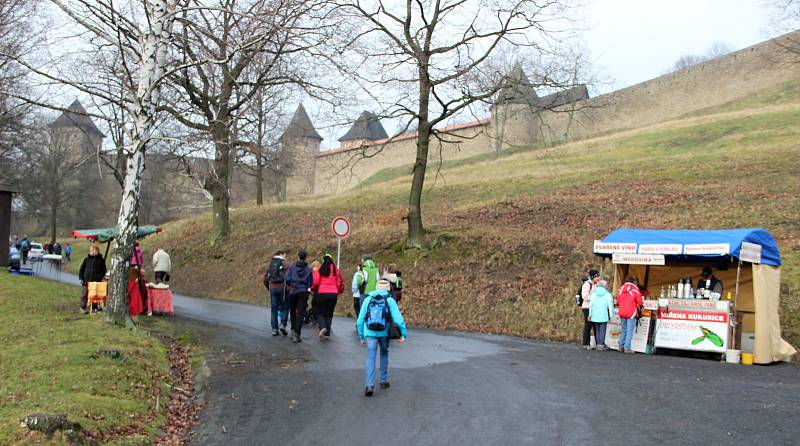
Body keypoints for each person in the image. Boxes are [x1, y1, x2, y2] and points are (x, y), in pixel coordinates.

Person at [357, 279, 407, 397]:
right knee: (384, 353)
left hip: (369, 332)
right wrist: (403, 333)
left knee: (371, 357)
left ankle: (369, 385)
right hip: (384, 332)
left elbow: (360, 320)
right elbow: (398, 319)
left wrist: (361, 335)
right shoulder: (389, 300)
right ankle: (383, 381)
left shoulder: (368, 299)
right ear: (388, 289)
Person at [311, 253, 343, 340]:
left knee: (320, 312)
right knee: (329, 313)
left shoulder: (320, 270)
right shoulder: (336, 271)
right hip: (333, 294)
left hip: (322, 293)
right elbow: (340, 283)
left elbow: (316, 282)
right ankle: (327, 333)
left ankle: (322, 327)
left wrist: (312, 288)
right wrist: (338, 291)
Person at [285, 250, 313, 343]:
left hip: (293, 290)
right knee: (300, 313)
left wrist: (292, 283)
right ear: (305, 257)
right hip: (304, 291)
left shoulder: (292, 267)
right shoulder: (308, 269)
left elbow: (288, 278)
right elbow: (310, 282)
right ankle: (297, 333)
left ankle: (292, 330)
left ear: (298, 256)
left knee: (292, 311)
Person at [616, 276, 643, 354]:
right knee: (629, 330)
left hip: (622, 311)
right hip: (631, 312)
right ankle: (627, 347)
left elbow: (617, 301)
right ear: (633, 281)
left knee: (624, 329)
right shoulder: (635, 289)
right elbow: (640, 302)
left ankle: (620, 346)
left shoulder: (621, 289)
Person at [265, 250, 289, 336]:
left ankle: (274, 329)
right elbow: (289, 277)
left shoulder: (270, 264)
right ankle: (283, 324)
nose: (285, 256)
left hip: (272, 288)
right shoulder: (285, 264)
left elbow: (265, 278)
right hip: (283, 288)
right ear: (281, 254)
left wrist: (269, 287)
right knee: (285, 307)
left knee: (274, 309)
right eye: (284, 255)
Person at [78, 245, 106, 313]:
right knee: (84, 294)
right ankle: (82, 307)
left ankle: (94, 308)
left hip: (95, 281)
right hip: (86, 280)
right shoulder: (86, 259)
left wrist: (99, 277)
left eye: (94, 250)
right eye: (91, 250)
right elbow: (82, 269)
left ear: (97, 251)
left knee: (94, 294)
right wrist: (81, 277)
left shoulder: (101, 260)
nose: (93, 252)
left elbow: (103, 270)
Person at [587, 280, 614, 351]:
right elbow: (610, 306)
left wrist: (590, 315)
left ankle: (598, 344)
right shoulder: (607, 294)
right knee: (602, 330)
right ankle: (600, 344)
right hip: (603, 315)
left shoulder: (594, 294)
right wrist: (611, 316)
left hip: (595, 315)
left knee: (597, 330)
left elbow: (591, 305)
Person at [580, 269, 600, 350]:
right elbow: (584, 296)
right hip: (587, 307)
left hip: (594, 307)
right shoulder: (587, 284)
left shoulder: (596, 285)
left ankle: (598, 343)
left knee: (595, 325)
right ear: (593, 277)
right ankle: (586, 343)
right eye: (597, 276)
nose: (599, 278)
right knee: (588, 325)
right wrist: (594, 297)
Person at [305, 260, 320, 324]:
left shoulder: (314, 273)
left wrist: (310, 289)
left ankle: (313, 316)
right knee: (317, 304)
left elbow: (314, 282)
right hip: (320, 290)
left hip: (315, 290)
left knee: (314, 303)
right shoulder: (321, 272)